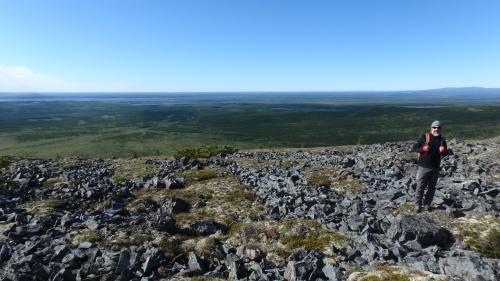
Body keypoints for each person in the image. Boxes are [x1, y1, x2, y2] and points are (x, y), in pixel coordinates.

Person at [412, 120, 448, 213]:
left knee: (432, 187)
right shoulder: (424, 137)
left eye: (438, 128)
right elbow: (415, 148)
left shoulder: (442, 140)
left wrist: (443, 151)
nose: (436, 129)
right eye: (434, 127)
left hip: (435, 167)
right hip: (424, 166)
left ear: (440, 129)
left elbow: (445, 153)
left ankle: (427, 204)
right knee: (420, 186)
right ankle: (417, 205)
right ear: (431, 128)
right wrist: (423, 148)